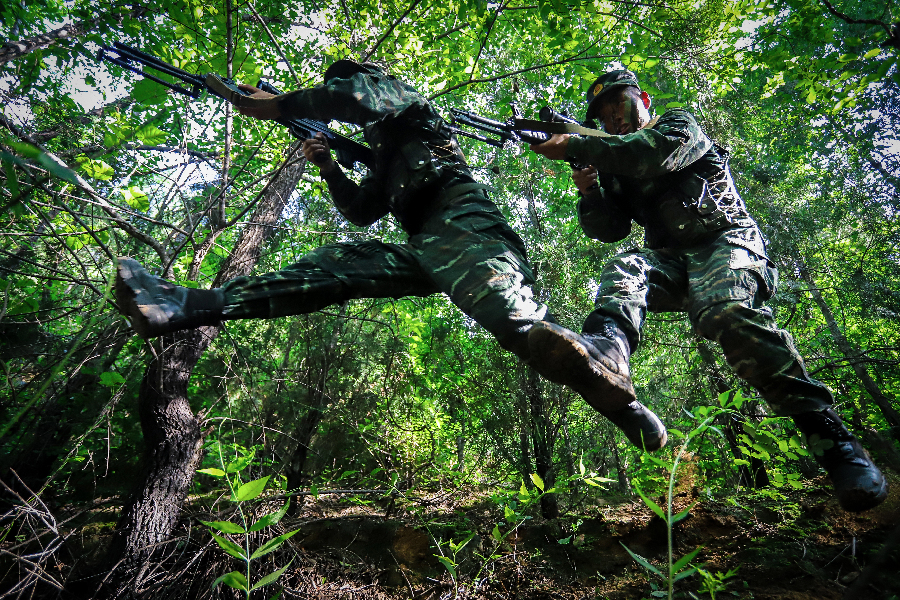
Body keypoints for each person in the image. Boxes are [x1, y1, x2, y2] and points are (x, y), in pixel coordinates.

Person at [114, 60, 667, 451]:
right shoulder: (385, 154)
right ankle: (184, 304)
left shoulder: (409, 107)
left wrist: (274, 103)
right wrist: (329, 165)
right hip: (423, 243)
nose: (347, 90)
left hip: (469, 227)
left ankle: (619, 397)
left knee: (513, 320)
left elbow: (351, 97)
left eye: (351, 80)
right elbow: (361, 211)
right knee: (332, 268)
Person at [527, 69, 888, 512]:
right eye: (601, 118)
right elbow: (610, 228)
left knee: (724, 312)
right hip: (673, 260)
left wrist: (578, 142)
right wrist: (589, 190)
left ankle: (836, 445)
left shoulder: (678, 125)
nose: (612, 119)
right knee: (626, 265)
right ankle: (608, 351)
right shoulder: (614, 165)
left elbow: (650, 156)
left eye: (617, 106)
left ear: (641, 98)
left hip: (727, 243)